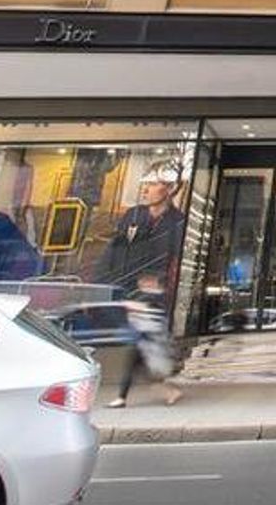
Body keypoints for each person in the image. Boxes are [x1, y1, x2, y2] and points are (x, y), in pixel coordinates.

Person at [98, 159, 187, 294]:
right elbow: (112, 253)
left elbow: (178, 268)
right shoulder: (133, 214)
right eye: (146, 183)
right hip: (118, 288)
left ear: (171, 188)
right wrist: (100, 285)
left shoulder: (179, 223)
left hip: (151, 295)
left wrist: (163, 284)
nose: (145, 190)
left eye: (153, 184)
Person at [106, 273, 182, 408]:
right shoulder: (149, 297)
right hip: (143, 342)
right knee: (133, 369)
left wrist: (130, 306)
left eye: (145, 284)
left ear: (153, 283)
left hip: (153, 343)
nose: (142, 288)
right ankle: (121, 398)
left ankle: (171, 392)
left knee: (145, 373)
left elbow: (147, 310)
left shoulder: (159, 298)